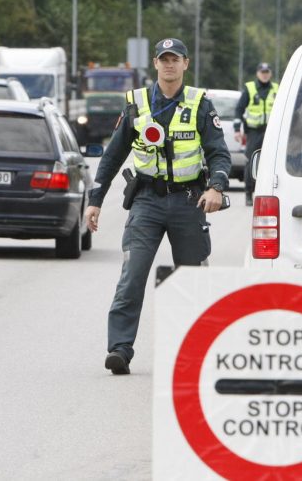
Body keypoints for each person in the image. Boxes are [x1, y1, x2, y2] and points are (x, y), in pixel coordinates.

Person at [84, 37, 231, 375]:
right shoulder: (135, 103)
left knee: (191, 279)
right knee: (132, 276)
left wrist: (217, 187)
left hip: (188, 201)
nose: (169, 64)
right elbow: (111, 157)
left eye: (175, 59)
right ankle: (119, 350)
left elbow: (218, 152)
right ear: (155, 64)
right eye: (163, 59)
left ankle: (196, 353)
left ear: (185, 64)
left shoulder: (199, 103)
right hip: (147, 202)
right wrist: (95, 201)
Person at [234, 62, 279, 205]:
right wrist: (236, 129)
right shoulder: (250, 88)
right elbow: (239, 110)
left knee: (273, 163)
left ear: (270, 73)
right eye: (262, 72)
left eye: (267, 72)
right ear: (257, 73)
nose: (265, 75)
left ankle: (270, 194)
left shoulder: (277, 89)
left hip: (272, 132)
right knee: (251, 162)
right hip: (254, 132)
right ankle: (248, 194)